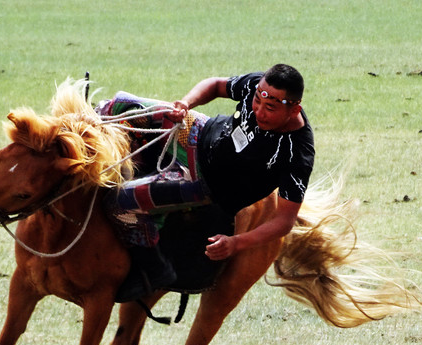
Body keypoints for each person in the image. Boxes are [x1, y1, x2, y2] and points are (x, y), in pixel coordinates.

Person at [99, 64, 315, 299]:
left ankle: (153, 269)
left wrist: (236, 243)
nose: (259, 112)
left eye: (270, 108)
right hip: (196, 129)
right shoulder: (259, 85)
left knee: (120, 201)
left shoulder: (296, 153)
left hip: (203, 182)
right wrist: (185, 104)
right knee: (117, 105)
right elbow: (214, 85)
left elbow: (284, 221)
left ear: (294, 110)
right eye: (257, 101)